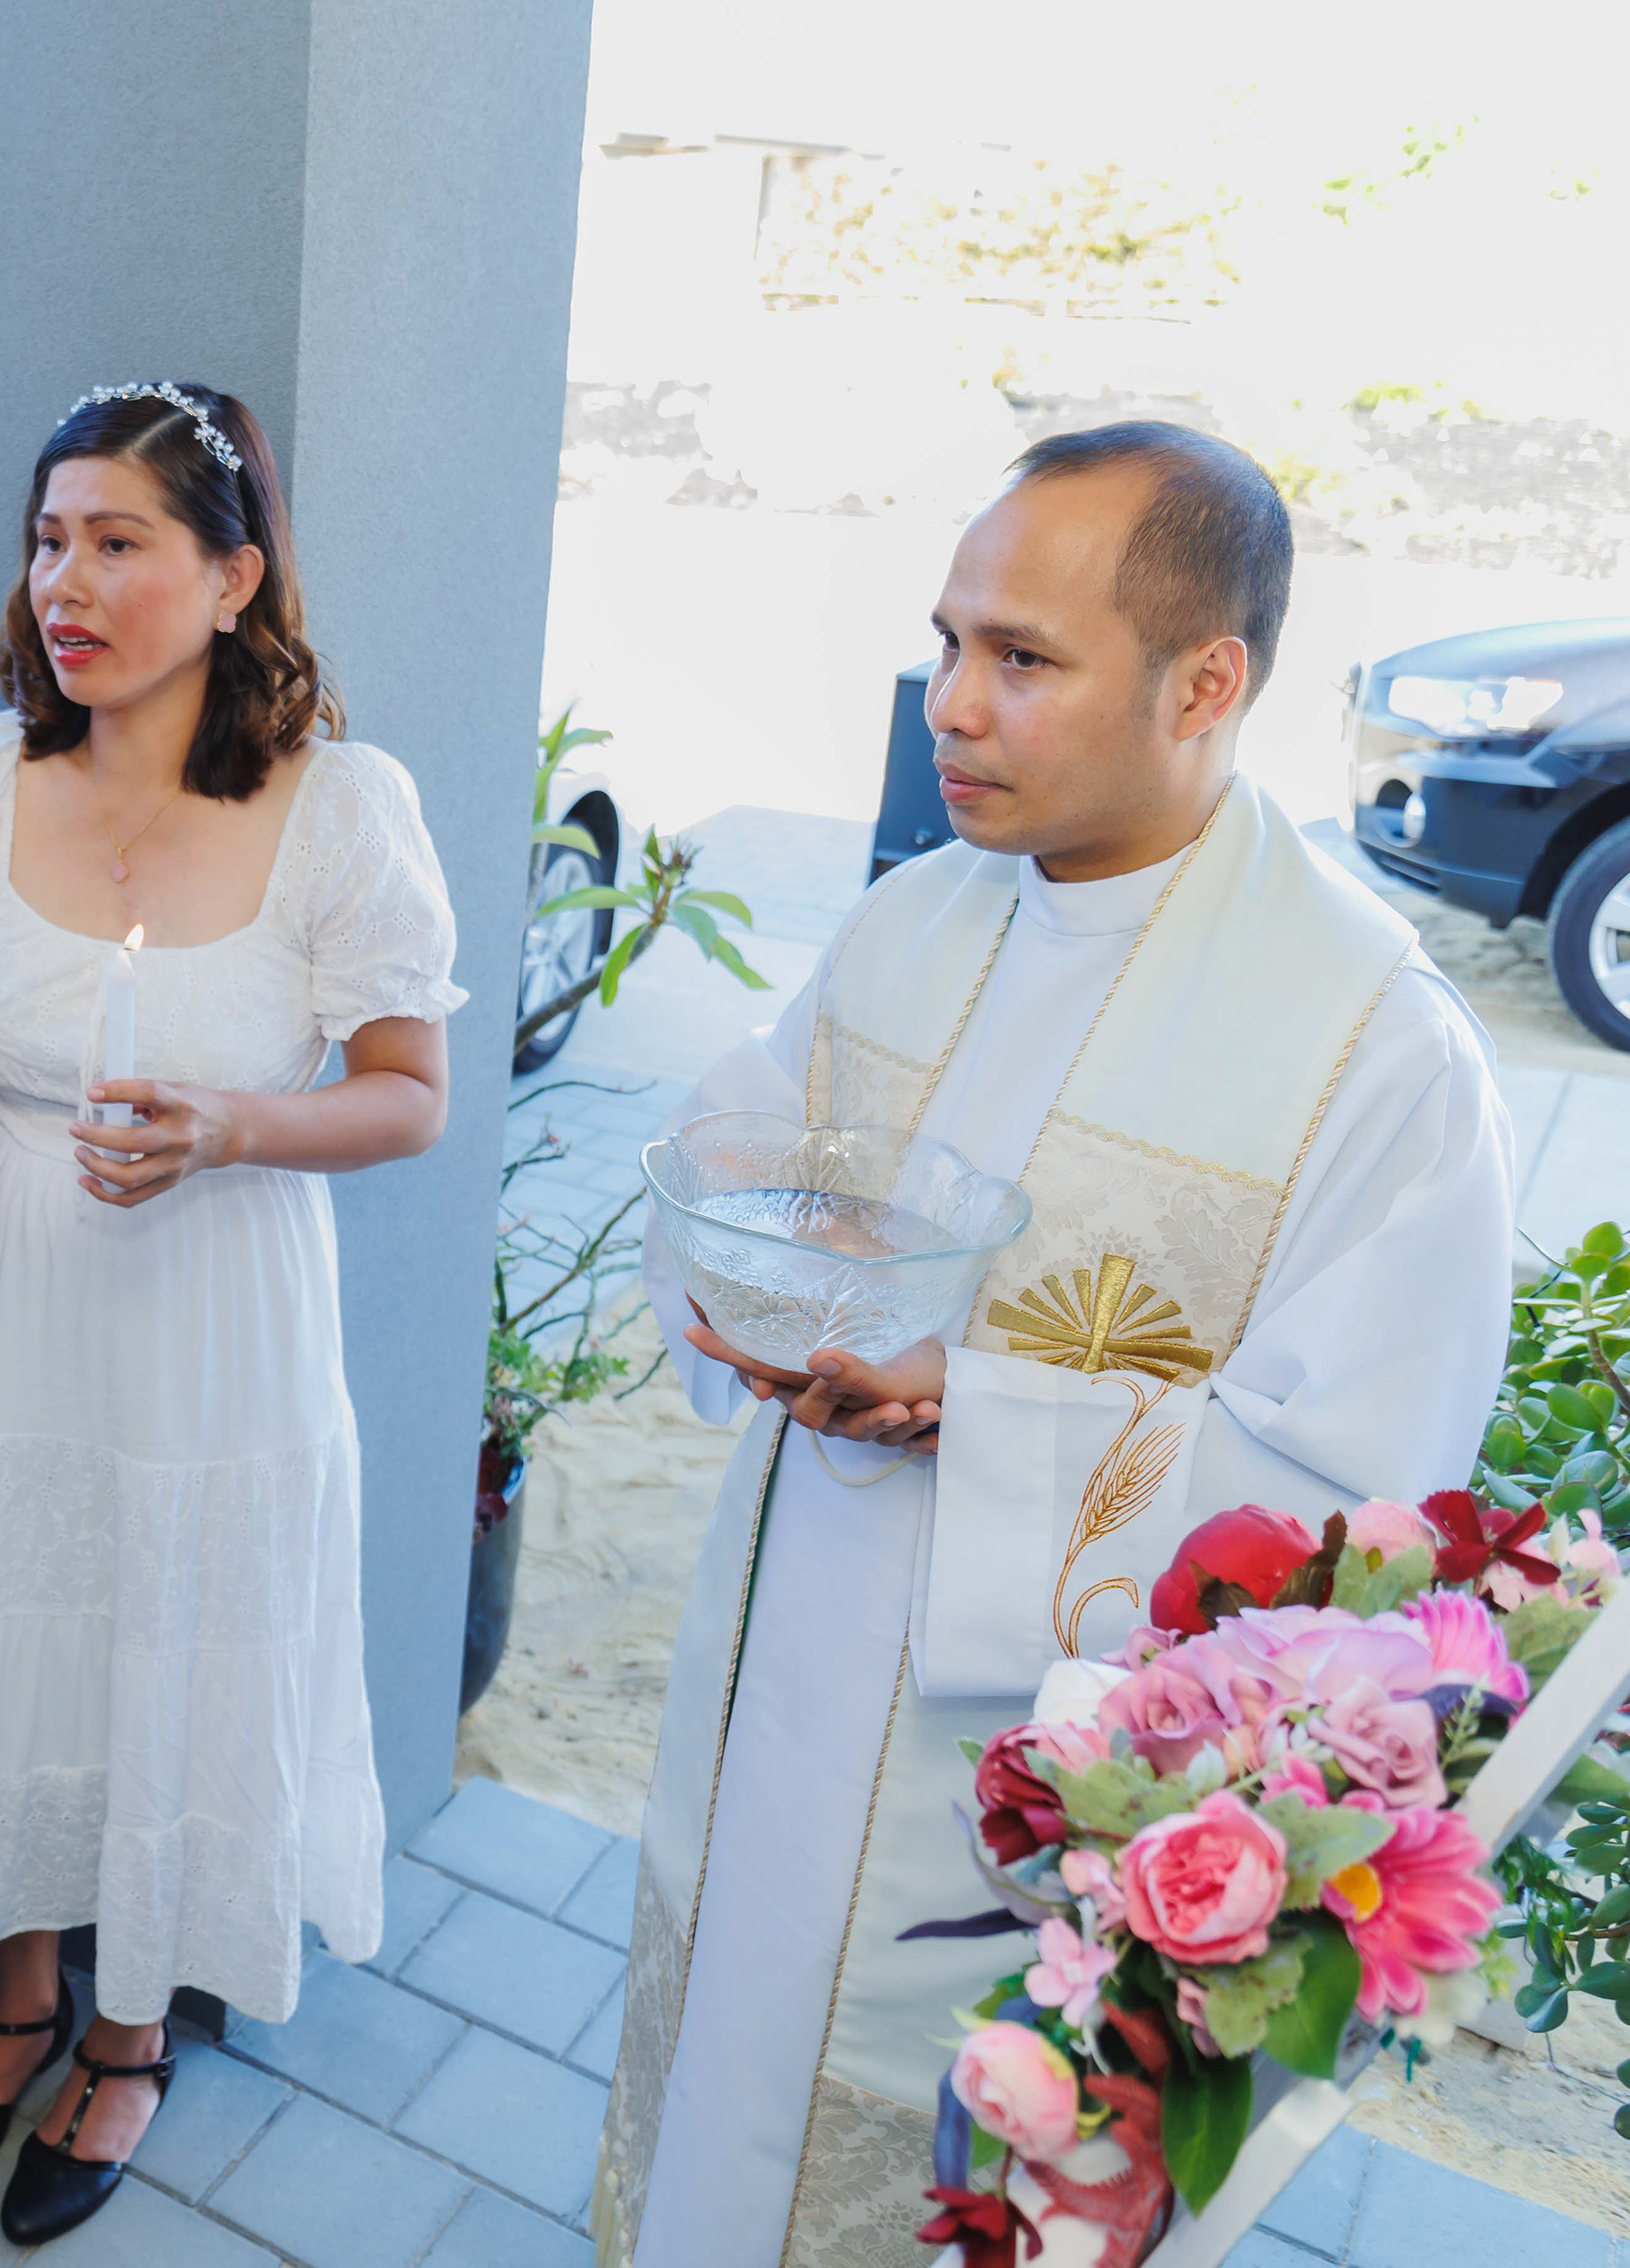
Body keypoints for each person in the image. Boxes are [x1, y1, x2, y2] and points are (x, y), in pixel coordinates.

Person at [593, 424, 1514, 2268]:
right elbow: (738, 1152)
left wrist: (985, 1410)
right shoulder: (915, 915)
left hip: (1024, 1782)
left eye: (1021, 658)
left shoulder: (1373, 1048)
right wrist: (743, 1252)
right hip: (778, 1664)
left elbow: (1364, 1512)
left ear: (1206, 682)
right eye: (947, 642)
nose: (951, 704)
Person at [0, 382, 462, 2246]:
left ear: (235, 576)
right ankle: (21, 1991)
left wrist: (233, 1125)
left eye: (119, 541)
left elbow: (410, 1094)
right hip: (15, 1294)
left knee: (173, 1630)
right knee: (20, 1612)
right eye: (49, 540)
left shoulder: (343, 804)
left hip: (218, 1301)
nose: (67, 583)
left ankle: (127, 2029)